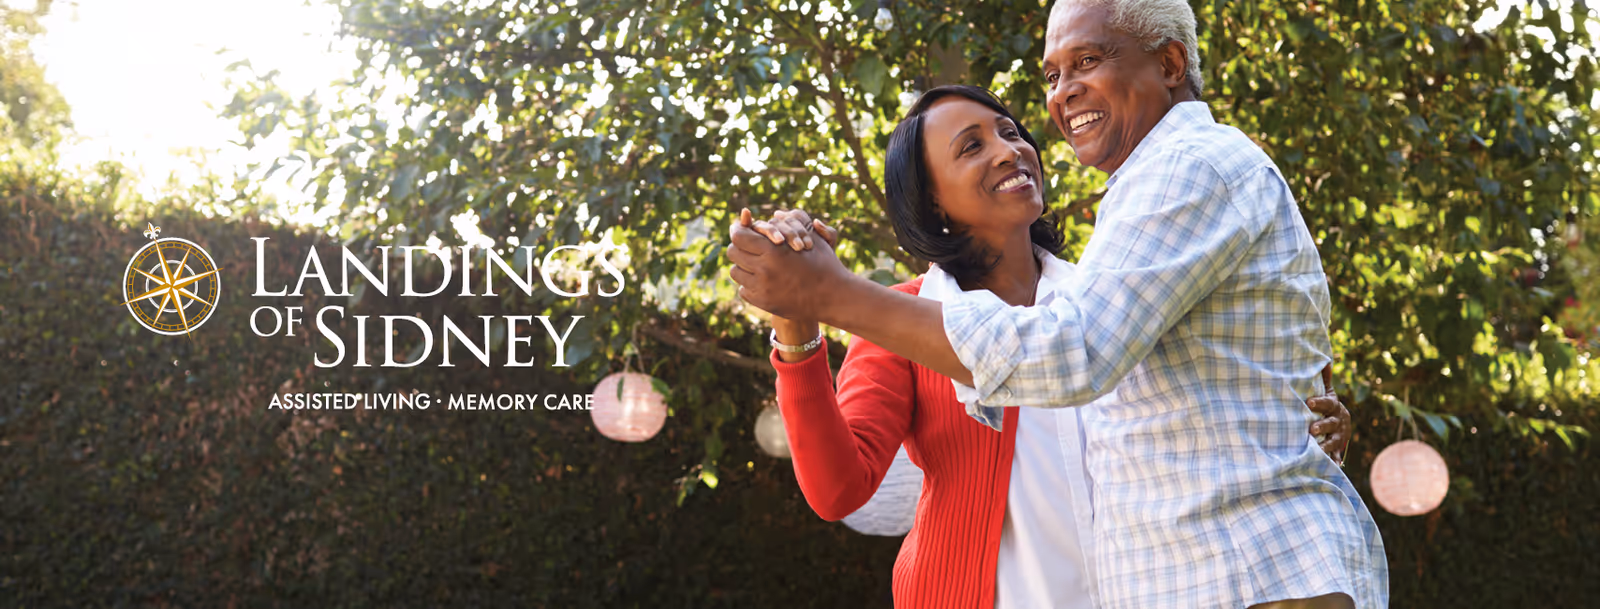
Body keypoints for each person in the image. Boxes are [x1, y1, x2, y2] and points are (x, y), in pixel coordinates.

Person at [726, 1, 1389, 607]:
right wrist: (799, 321)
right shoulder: (906, 318)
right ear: (933, 204)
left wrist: (1302, 425)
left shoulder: (1104, 284)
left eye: (1010, 131)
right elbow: (839, 486)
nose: (1012, 147)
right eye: (971, 146)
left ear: (1171, 63)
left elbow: (1093, 356)